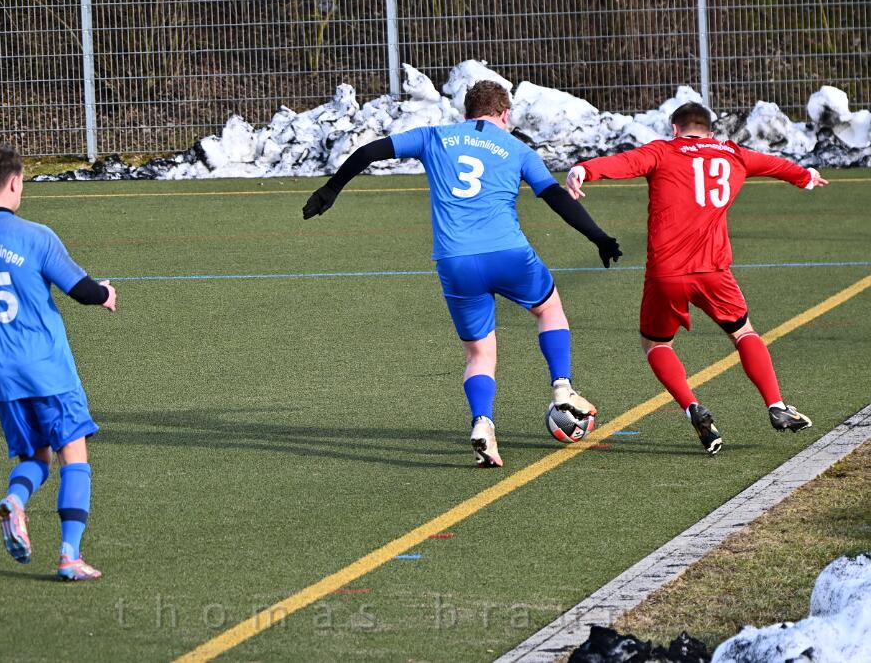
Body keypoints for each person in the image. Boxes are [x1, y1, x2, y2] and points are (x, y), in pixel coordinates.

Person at [303, 80, 622, 468]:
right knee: (548, 309)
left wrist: (331, 190)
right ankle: (562, 387)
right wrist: (598, 236)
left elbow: (370, 151)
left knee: (479, 352)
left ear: (466, 112)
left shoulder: (434, 137)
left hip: (455, 261)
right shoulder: (517, 148)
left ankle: (482, 423)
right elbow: (554, 196)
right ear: (504, 113)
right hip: (508, 254)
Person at [566, 102, 828, 455]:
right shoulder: (733, 154)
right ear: (710, 131)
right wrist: (806, 177)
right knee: (743, 332)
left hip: (666, 273)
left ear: (675, 129)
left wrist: (584, 170)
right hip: (714, 271)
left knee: (656, 344)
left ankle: (692, 407)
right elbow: (775, 165)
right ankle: (776, 405)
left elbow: (624, 162)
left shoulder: (662, 151)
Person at [0, 145, 117, 580]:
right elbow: (81, 290)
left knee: (36, 456)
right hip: (47, 368)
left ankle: (14, 501)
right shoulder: (36, 236)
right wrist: (105, 293)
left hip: (0, 374)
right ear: (14, 182)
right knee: (74, 455)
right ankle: (69, 556)